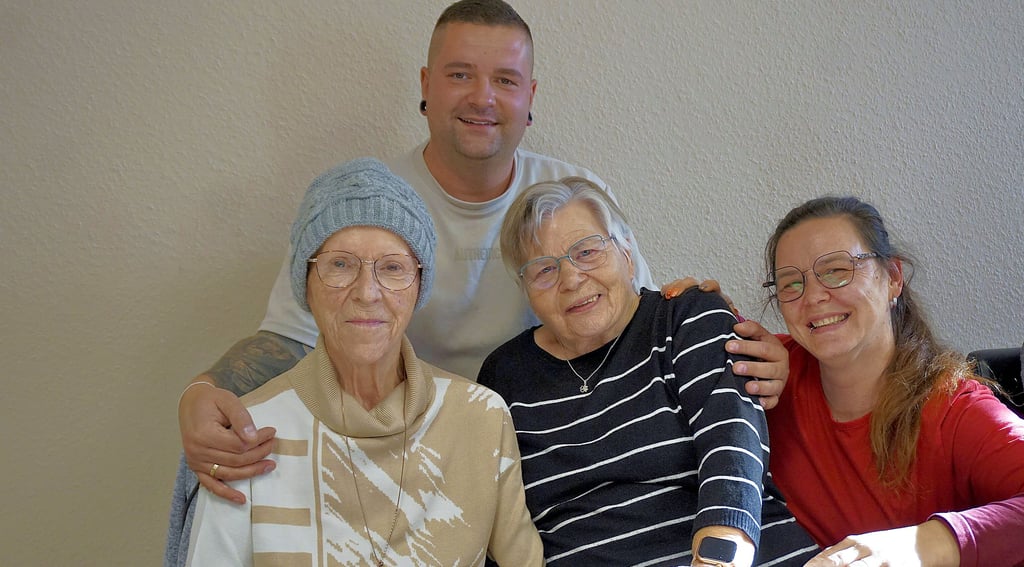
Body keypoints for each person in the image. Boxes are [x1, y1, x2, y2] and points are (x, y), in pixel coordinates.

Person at [173, 0, 791, 512]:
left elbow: (638, 319)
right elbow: (288, 340)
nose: (482, 98)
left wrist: (737, 346)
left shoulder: (571, 194)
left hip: (550, 455)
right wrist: (202, 391)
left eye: (505, 80)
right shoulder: (365, 202)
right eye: (460, 74)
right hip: (398, 453)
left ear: (530, 95)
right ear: (425, 85)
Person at [186, 158, 543, 566]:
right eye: (340, 265)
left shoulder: (479, 418)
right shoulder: (249, 435)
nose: (367, 292)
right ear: (305, 284)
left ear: (419, 286)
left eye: (392, 268)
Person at [477, 177, 819, 566]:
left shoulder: (685, 317)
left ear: (626, 253)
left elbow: (732, 450)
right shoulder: (505, 376)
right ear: (526, 290)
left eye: (587, 251)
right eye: (544, 270)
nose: (571, 279)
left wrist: (719, 558)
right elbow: (497, 520)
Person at [761, 196, 1024, 567]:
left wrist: (924, 543)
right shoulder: (770, 373)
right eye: (791, 284)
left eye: (836, 270)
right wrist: (694, 301)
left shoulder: (953, 407)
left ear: (893, 278)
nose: (814, 296)